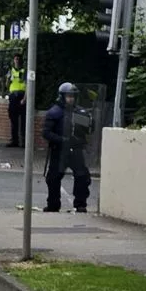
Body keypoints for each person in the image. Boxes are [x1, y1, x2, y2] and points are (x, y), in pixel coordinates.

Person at [42, 82, 92, 213]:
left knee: (82, 177)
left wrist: (87, 123)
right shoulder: (55, 112)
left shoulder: (79, 112)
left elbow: (87, 131)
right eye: (69, 96)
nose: (71, 99)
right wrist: (63, 140)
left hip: (76, 150)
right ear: (62, 96)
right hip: (59, 150)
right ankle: (53, 205)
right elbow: (46, 133)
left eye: (73, 96)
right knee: (53, 178)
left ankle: (81, 204)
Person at [7, 53, 26, 148]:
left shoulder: (24, 70)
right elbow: (7, 82)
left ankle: (23, 142)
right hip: (13, 96)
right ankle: (14, 141)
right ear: (13, 60)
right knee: (13, 120)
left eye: (18, 59)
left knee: (23, 120)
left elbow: (28, 85)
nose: (17, 60)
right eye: (15, 59)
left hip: (21, 96)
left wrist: (25, 98)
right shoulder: (11, 70)